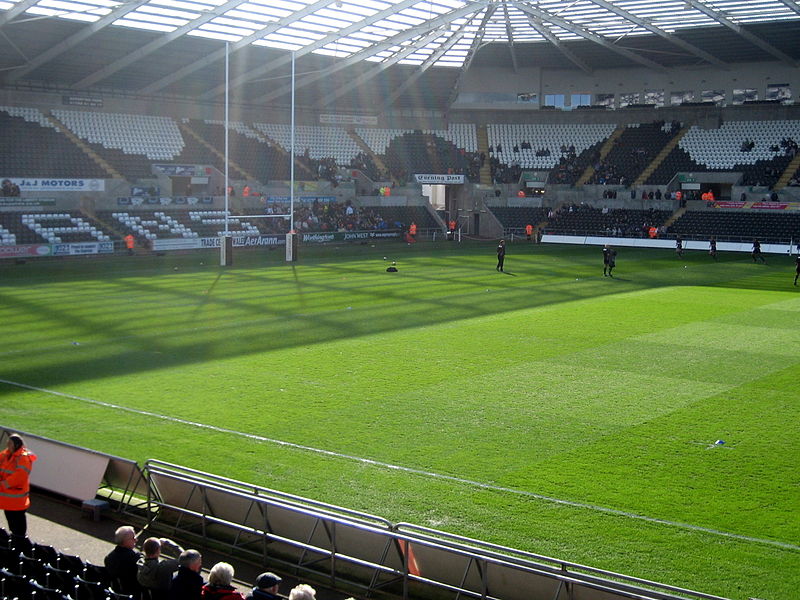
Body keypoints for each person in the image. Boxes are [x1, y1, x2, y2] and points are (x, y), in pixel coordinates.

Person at [0, 433, 37, 538]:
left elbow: (20, 475)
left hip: (16, 501)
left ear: (15, 445)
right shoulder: (5, 454)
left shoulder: (24, 458)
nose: (7, 445)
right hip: (8, 500)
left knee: (18, 526)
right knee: (12, 523)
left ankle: (20, 542)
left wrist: (4, 484)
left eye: (9, 443)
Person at [105, 525, 142, 597]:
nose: (136, 540)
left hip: (116, 593)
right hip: (134, 594)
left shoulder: (109, 557)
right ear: (125, 541)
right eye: (133, 538)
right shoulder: (135, 558)